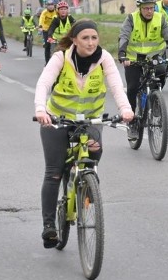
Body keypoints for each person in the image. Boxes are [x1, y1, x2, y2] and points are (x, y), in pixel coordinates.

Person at [34, 19, 134, 248]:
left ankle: (87, 189)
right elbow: (43, 84)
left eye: (94, 38)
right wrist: (41, 109)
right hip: (58, 119)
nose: (90, 43)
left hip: (91, 119)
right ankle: (49, 226)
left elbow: (117, 86)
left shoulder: (103, 59)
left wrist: (126, 109)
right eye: (85, 38)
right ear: (75, 40)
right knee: (53, 172)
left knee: (93, 155)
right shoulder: (61, 58)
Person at [118, 0, 168, 140]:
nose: (149, 11)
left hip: (154, 57)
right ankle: (132, 122)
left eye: (151, 8)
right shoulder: (131, 19)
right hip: (133, 59)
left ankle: (155, 102)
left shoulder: (160, 18)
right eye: (146, 8)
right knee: (132, 87)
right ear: (140, 9)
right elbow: (124, 37)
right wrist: (122, 54)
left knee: (161, 76)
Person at [39, 0, 57, 64]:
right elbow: (41, 19)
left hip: (55, 30)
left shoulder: (56, 12)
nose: (50, 6)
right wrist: (40, 26)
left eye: (52, 5)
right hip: (46, 29)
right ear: (47, 6)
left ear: (54, 5)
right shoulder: (44, 12)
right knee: (47, 46)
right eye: (49, 5)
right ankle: (47, 62)